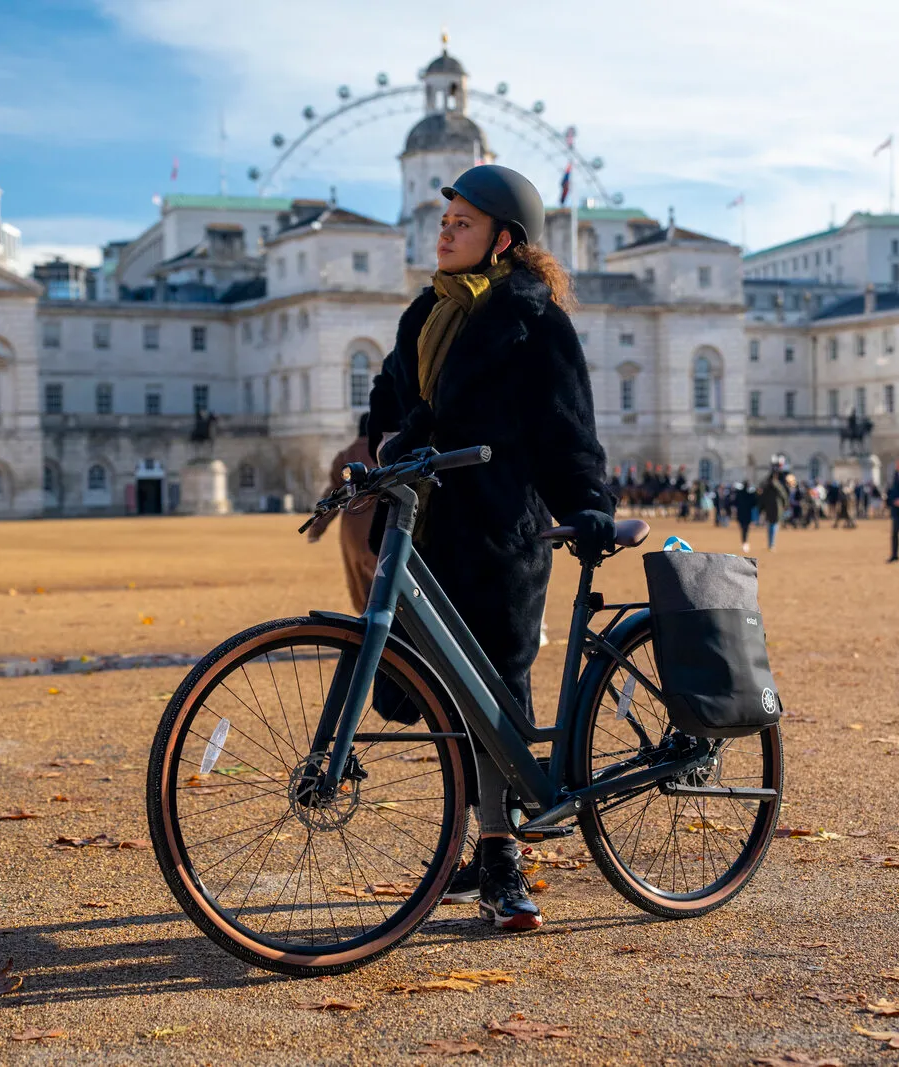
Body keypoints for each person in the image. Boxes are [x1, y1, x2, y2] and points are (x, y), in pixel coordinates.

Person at [367, 164, 614, 932]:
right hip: (423, 524)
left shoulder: (533, 318)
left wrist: (588, 505)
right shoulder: (422, 314)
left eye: (463, 222)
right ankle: (475, 842)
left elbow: (566, 424)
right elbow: (388, 398)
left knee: (493, 699)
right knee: (439, 692)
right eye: (445, 221)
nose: (445, 230)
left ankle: (501, 855)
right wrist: (381, 445)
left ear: (503, 240)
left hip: (498, 529)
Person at [306, 414, 379, 612]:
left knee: (362, 584)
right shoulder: (387, 452)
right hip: (381, 522)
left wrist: (317, 528)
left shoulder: (345, 456)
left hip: (352, 527)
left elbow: (332, 496)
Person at [756, 468, 785, 551]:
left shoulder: (766, 485)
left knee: (770, 526)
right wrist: (785, 504)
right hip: (777, 509)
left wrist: (761, 508)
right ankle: (772, 544)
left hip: (768, 508)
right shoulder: (777, 485)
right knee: (774, 525)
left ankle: (770, 543)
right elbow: (783, 495)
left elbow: (762, 498)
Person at [733, 480, 758, 553]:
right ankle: (745, 542)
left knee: (743, 528)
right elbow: (754, 503)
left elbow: (735, 502)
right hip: (748, 514)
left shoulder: (739, 493)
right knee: (746, 529)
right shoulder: (750, 495)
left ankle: (744, 542)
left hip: (740, 514)